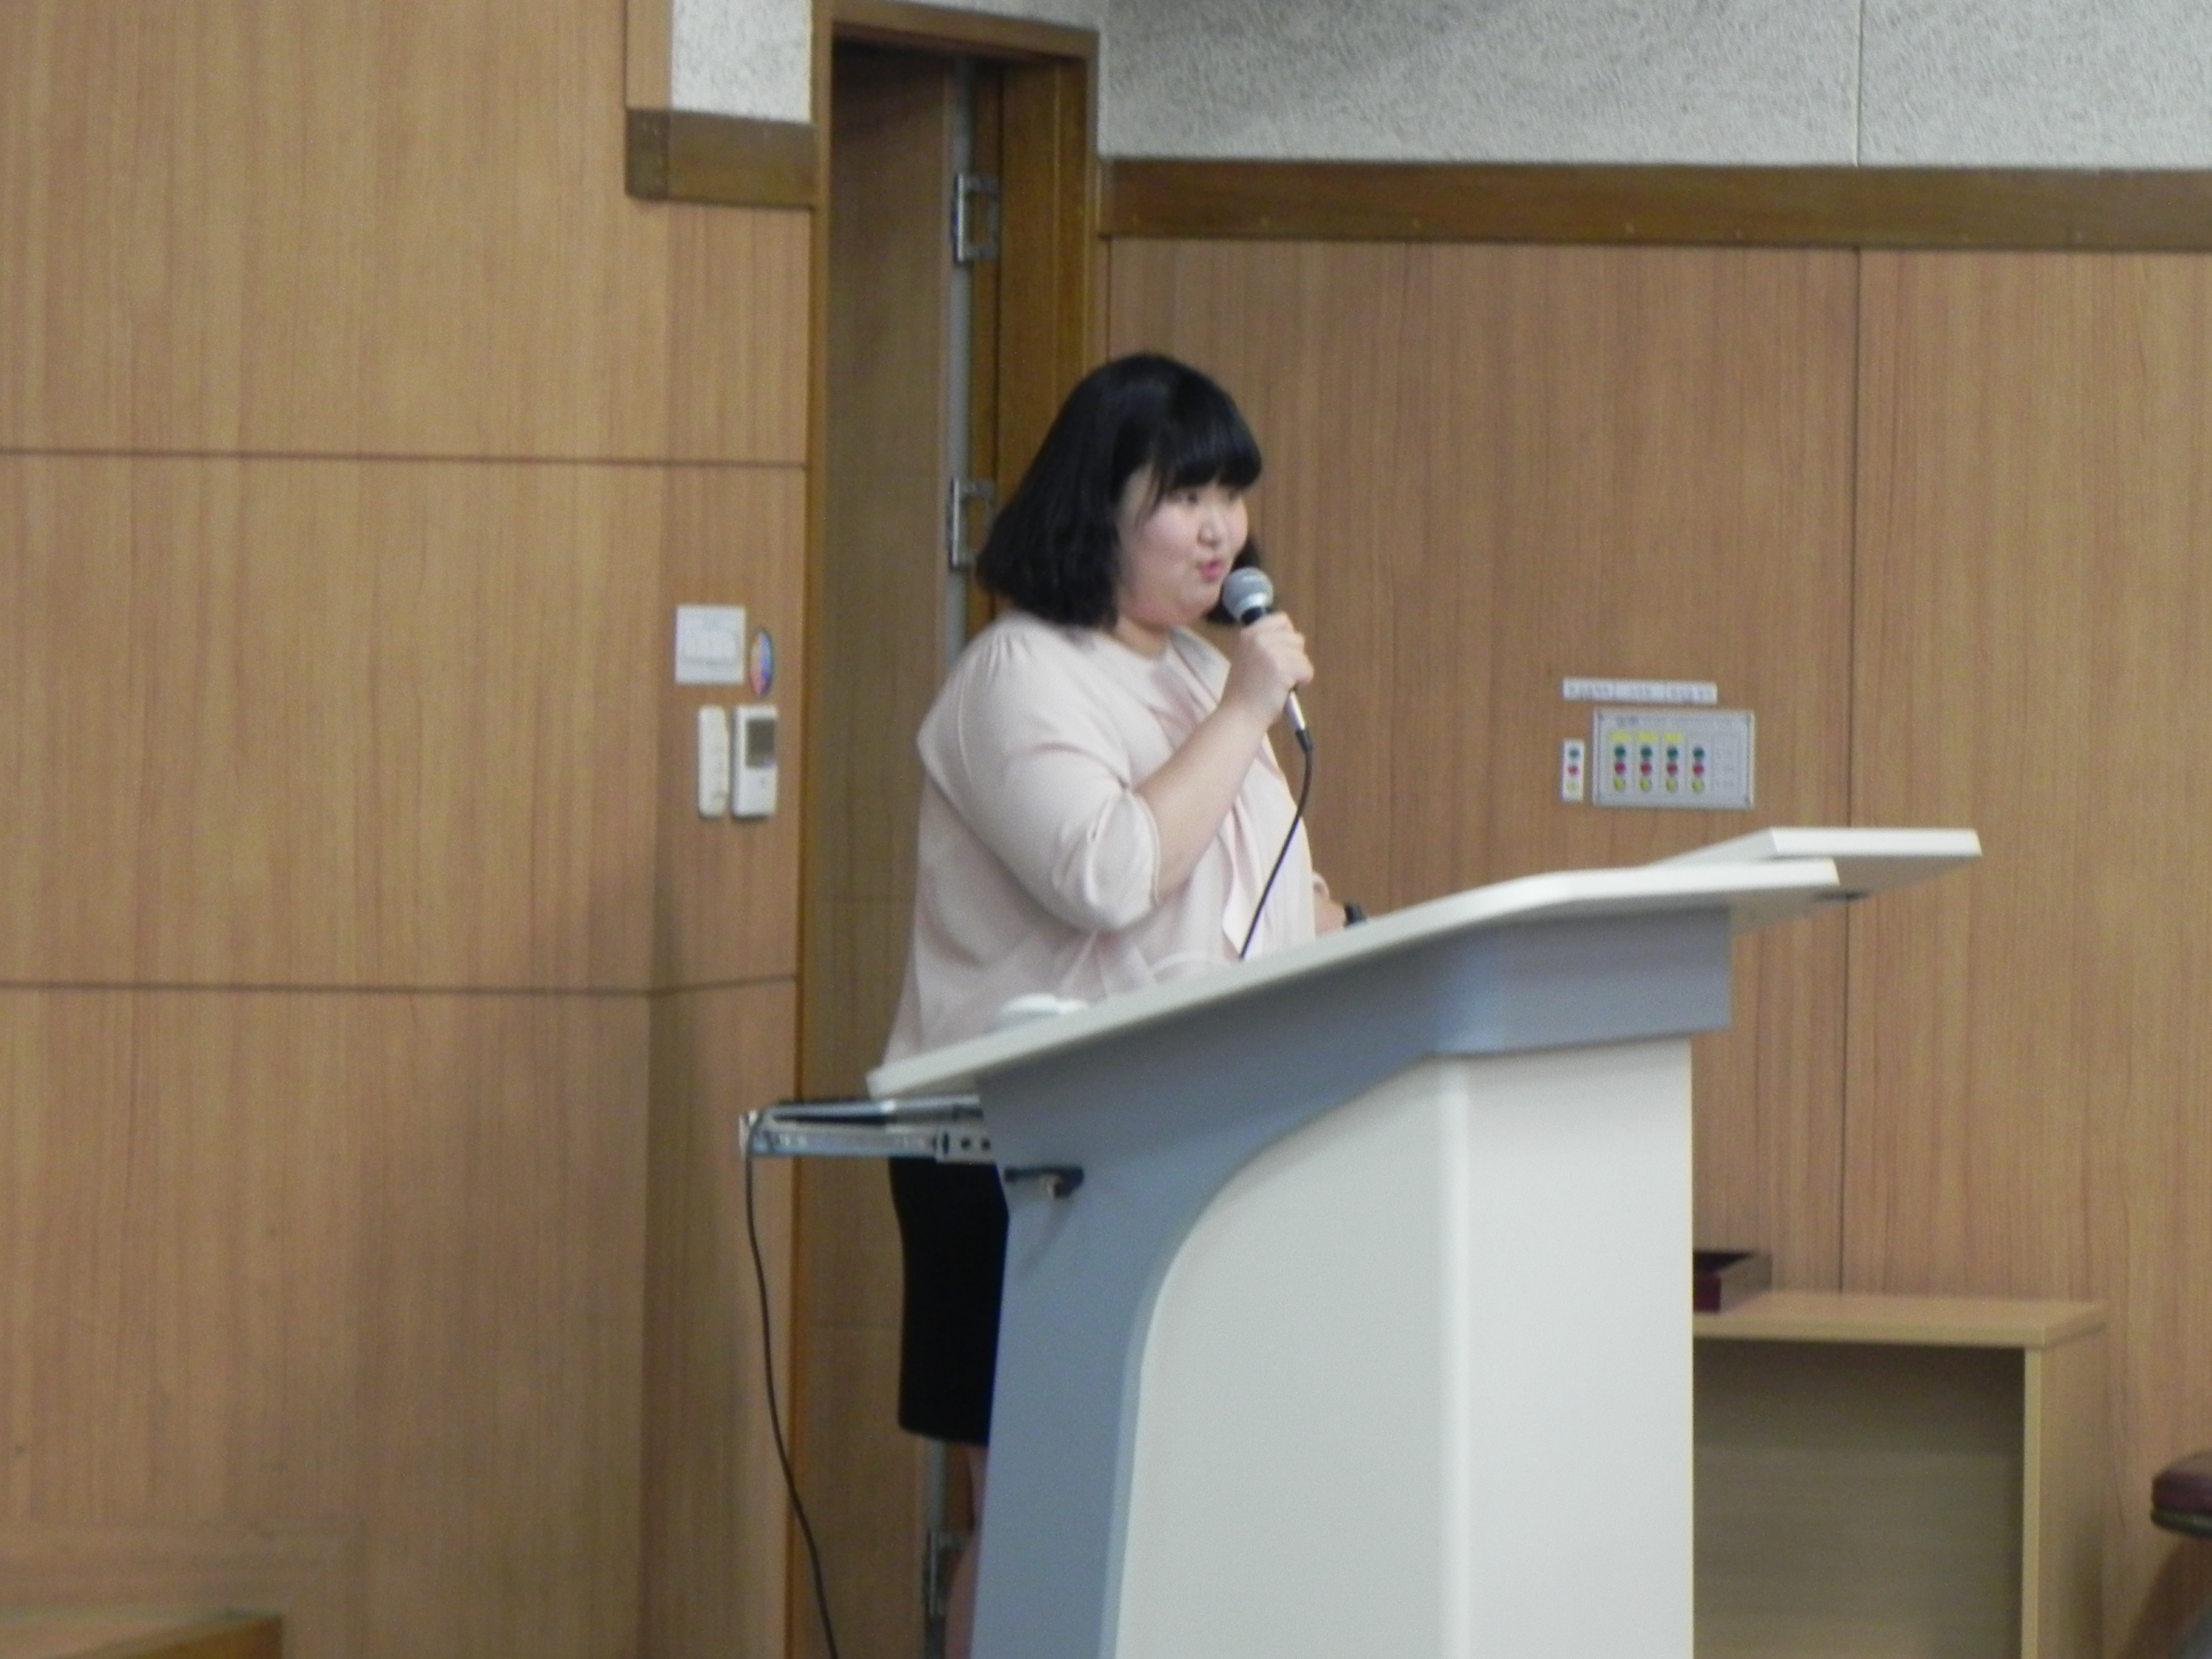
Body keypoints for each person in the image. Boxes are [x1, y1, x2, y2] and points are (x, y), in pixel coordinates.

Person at [879, 352, 1341, 1657]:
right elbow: (1111, 874)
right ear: (1100, 502)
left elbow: (1268, 895)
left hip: (1178, 1131)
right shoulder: (1019, 672)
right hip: (1020, 1151)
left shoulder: (1194, 672)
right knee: (1040, 1505)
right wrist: (1247, 709)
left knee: (1168, 1502)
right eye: (1184, 496)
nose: (1219, 530)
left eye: (1231, 496)